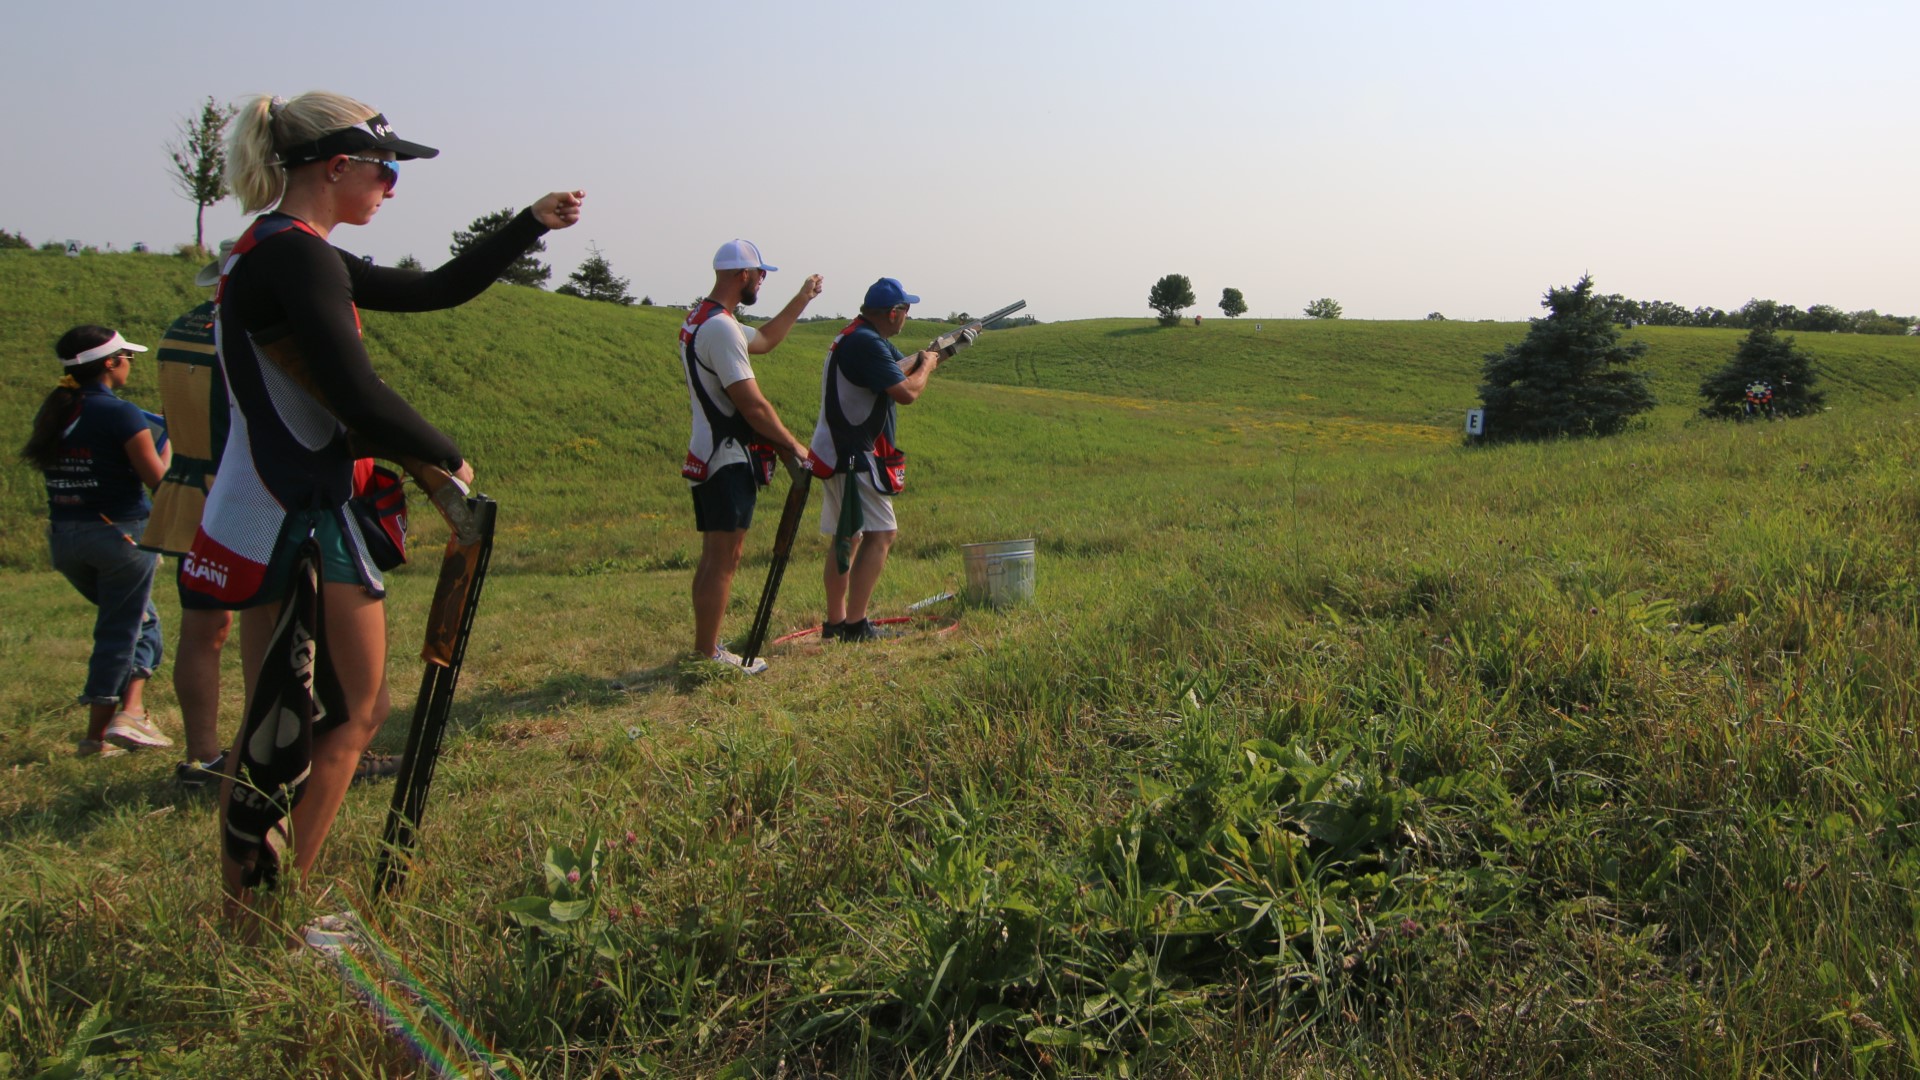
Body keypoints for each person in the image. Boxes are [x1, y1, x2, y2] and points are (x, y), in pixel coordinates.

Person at [185, 89, 583, 916]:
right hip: (301, 514)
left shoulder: (275, 249)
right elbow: (356, 395)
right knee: (352, 715)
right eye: (385, 170)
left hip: (265, 506)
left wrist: (529, 224)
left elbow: (436, 288)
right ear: (337, 167)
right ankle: (269, 915)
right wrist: (447, 455)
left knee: (277, 723)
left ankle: (249, 916)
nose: (392, 187)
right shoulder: (298, 258)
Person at [20, 325, 174, 755]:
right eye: (128, 357)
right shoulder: (122, 414)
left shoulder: (56, 410)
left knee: (142, 621)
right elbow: (158, 482)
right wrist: (172, 439)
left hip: (65, 537)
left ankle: (133, 713)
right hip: (119, 535)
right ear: (110, 363)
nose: (130, 364)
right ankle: (98, 736)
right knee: (121, 631)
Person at [681, 240, 823, 672]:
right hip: (726, 456)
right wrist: (795, 447)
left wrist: (802, 298)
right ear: (742, 274)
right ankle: (708, 654)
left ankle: (704, 647)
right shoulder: (721, 329)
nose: (762, 281)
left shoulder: (704, 318)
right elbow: (753, 405)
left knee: (715, 556)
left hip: (708, 451)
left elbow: (764, 340)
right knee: (724, 558)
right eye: (760, 274)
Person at [808, 278, 952, 641]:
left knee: (847, 536)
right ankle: (855, 625)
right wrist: (928, 365)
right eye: (906, 310)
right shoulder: (867, 343)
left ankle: (837, 622)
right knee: (882, 534)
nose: (907, 317)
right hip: (855, 453)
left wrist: (939, 353)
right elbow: (907, 392)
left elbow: (897, 369)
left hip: (837, 450)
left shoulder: (858, 337)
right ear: (892, 313)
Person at [141, 253, 231, 782]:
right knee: (283, 626)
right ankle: (278, 750)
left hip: (191, 489)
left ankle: (203, 754)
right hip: (246, 492)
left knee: (201, 629)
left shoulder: (182, 326)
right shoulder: (249, 329)